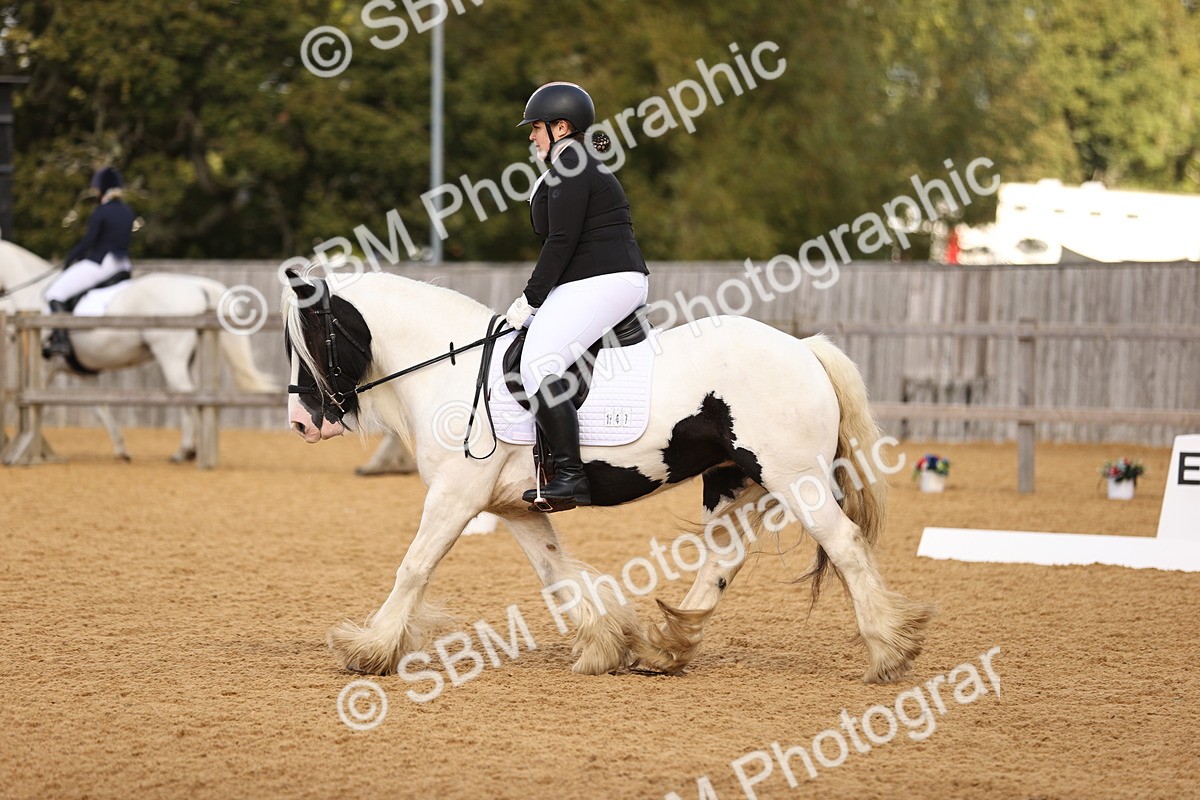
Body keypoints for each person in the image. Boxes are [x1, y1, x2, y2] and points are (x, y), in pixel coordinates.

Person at [507, 82, 650, 511]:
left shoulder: (573, 162)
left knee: (537, 363)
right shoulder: (568, 162)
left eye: (536, 128)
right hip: (591, 278)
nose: (531, 136)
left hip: (606, 278)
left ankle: (571, 476)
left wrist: (532, 299)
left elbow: (562, 239)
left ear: (561, 126)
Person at [43, 166, 136, 358]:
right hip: (123, 264)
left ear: (102, 190)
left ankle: (61, 341)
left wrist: (70, 259)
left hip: (102, 262)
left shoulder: (101, 212)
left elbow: (89, 241)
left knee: (54, 293)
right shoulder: (128, 211)